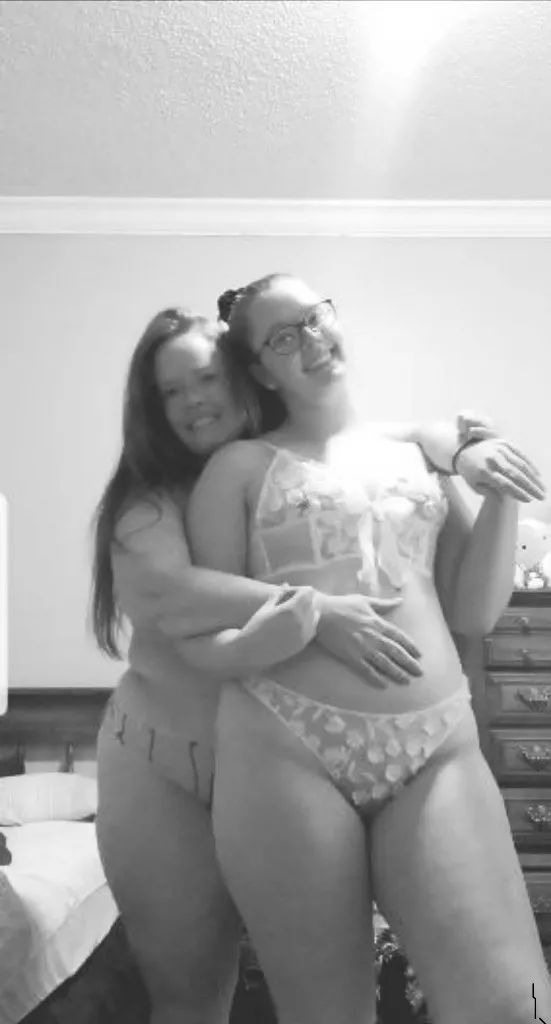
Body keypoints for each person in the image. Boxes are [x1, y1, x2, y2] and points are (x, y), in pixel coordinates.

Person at [91, 304, 540, 1024]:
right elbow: (175, 599)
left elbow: (396, 441)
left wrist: (455, 449)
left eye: (206, 377)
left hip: (309, 747)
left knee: (504, 996)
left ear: (246, 377)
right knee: (194, 994)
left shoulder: (309, 459)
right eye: (170, 391)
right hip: (165, 756)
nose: (193, 400)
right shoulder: (151, 503)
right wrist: (319, 612)